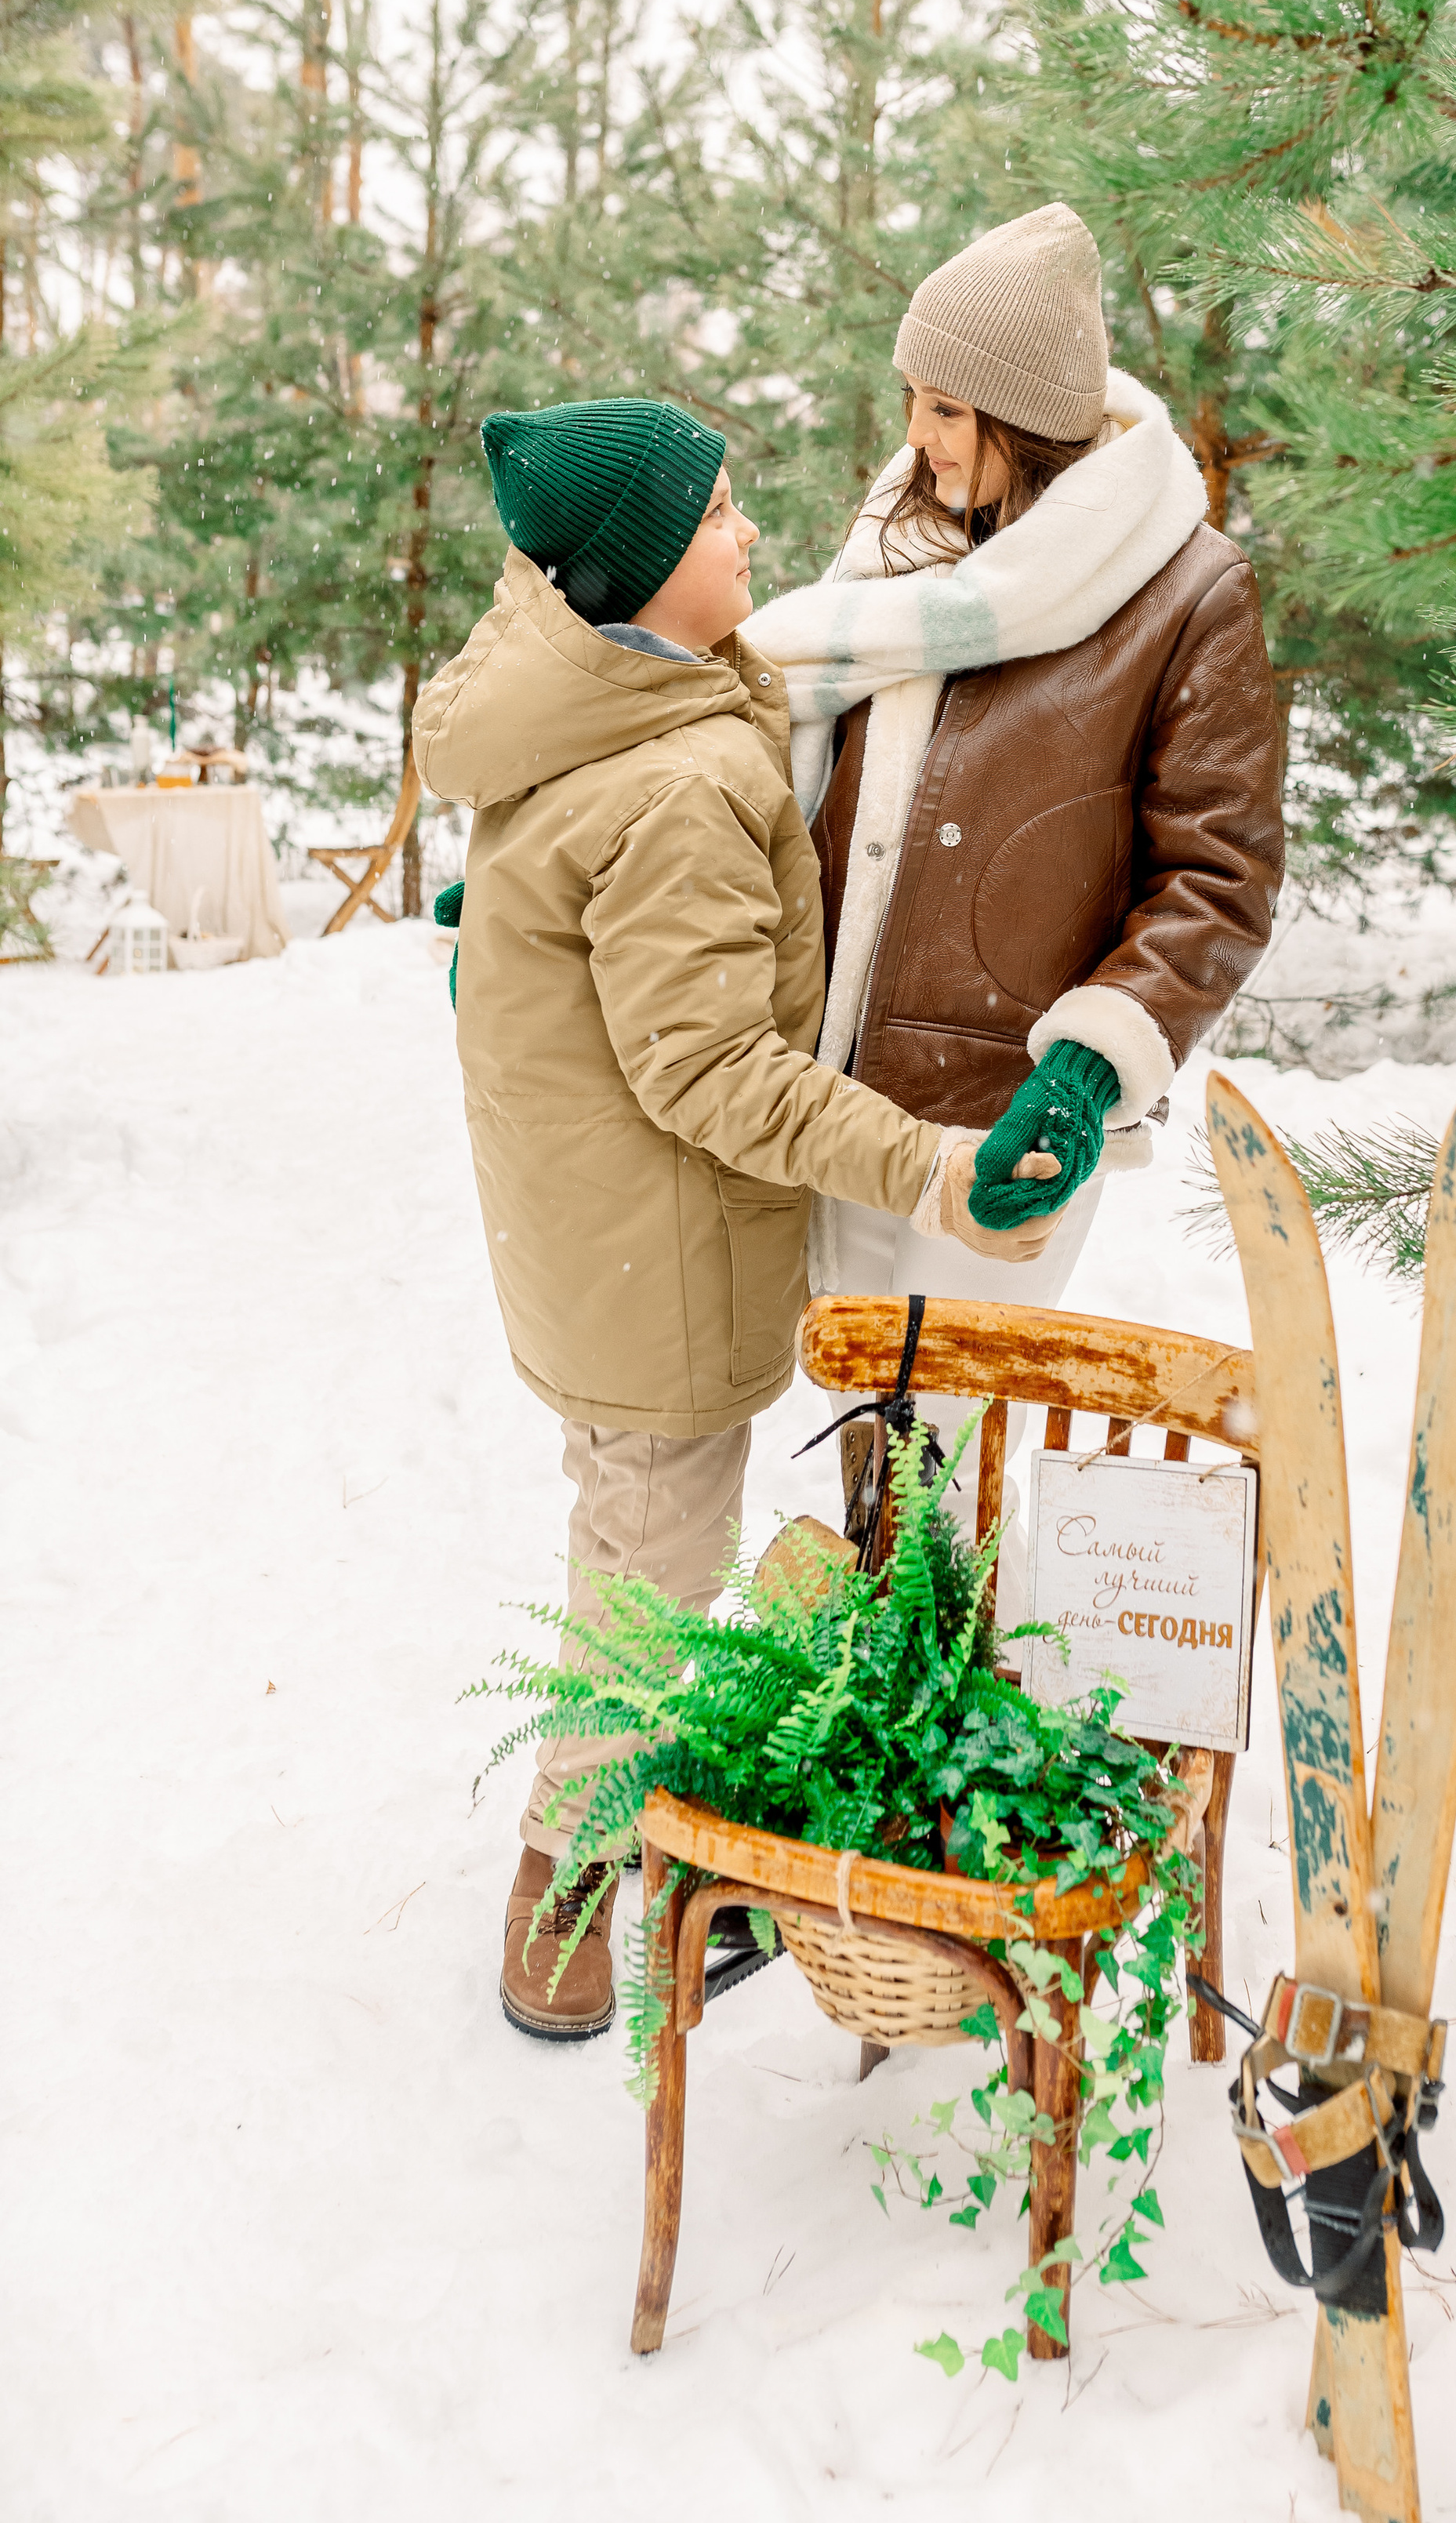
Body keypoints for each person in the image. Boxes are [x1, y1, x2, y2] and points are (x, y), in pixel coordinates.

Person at [414, 395, 1061, 2042]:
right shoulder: (682, 778)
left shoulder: (590, 709)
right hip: (660, 1274)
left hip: (595, 1246)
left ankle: (613, 1848)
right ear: (639, 575)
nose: (751, 534)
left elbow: (585, 924)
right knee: (642, 1581)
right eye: (716, 520)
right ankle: (562, 1916)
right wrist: (926, 1168)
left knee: (626, 1543)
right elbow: (716, 1071)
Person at [747, 203, 1285, 1615]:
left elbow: (1219, 872)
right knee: (868, 1439)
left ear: (1026, 419)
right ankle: (873, 1726)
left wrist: (1090, 1063)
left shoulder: (1188, 597)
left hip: (1005, 1109)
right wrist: (593, 864)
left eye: (943, 409)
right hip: (848, 1086)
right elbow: (776, 755)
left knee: (956, 1454)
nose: (914, 439)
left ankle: (940, 1740)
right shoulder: (903, 557)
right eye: (912, 401)